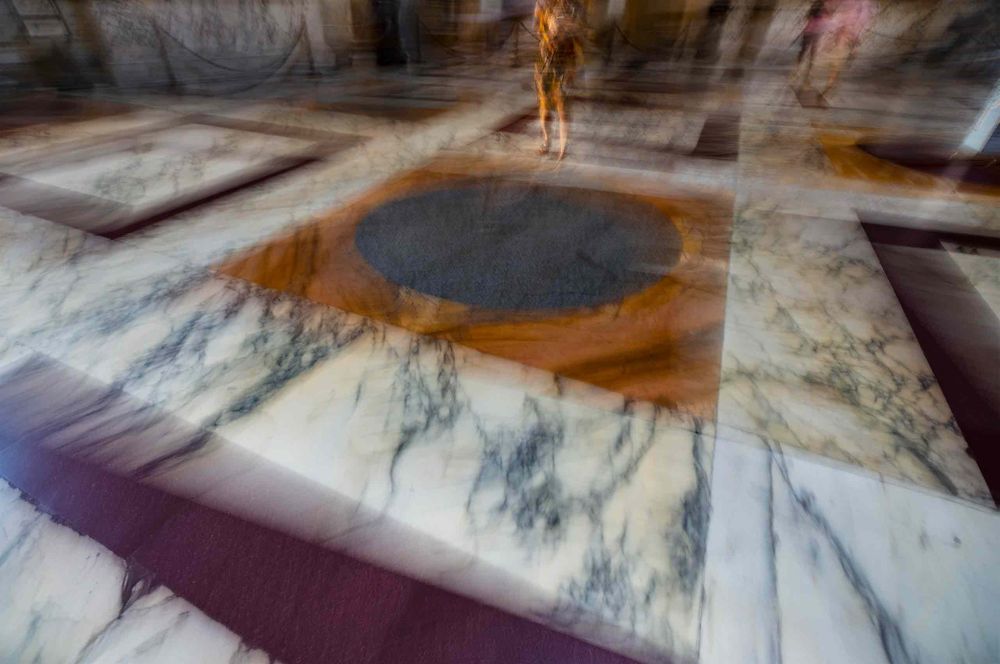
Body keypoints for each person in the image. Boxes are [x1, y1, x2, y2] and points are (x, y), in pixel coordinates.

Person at [534, 0, 584, 160]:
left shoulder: (575, 7)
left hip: (565, 64)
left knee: (563, 109)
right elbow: (538, 30)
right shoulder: (544, 5)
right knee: (544, 107)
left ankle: (563, 148)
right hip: (545, 63)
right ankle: (546, 141)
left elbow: (579, 37)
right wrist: (549, 34)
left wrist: (574, 68)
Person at [794, 0, 830, 90]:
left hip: (811, 33)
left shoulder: (820, 8)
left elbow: (808, 18)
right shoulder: (822, 8)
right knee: (810, 55)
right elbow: (811, 18)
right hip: (813, 33)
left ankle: (799, 73)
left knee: (805, 53)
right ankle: (805, 75)